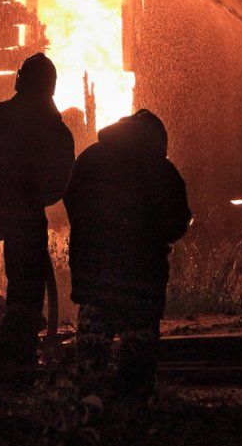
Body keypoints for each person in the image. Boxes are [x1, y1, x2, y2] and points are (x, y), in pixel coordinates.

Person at [63, 108, 192, 396]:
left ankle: (85, 422)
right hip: (142, 284)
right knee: (138, 360)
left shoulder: (90, 158)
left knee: (91, 359)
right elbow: (177, 221)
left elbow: (71, 202)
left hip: (94, 278)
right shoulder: (160, 167)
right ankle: (134, 421)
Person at [0, 52, 76, 364]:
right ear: (51, 88)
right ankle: (19, 351)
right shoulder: (58, 133)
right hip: (27, 219)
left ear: (19, 80)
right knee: (26, 287)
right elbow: (59, 182)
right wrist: (33, 196)